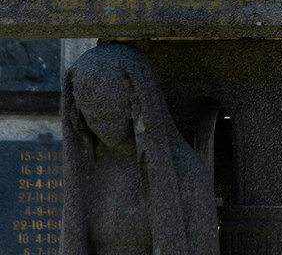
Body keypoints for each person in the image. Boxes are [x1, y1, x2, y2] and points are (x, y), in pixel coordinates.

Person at [61, 44, 219, 255]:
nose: (102, 128)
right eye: (92, 119)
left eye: (110, 117)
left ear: (135, 106)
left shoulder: (186, 174)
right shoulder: (90, 169)